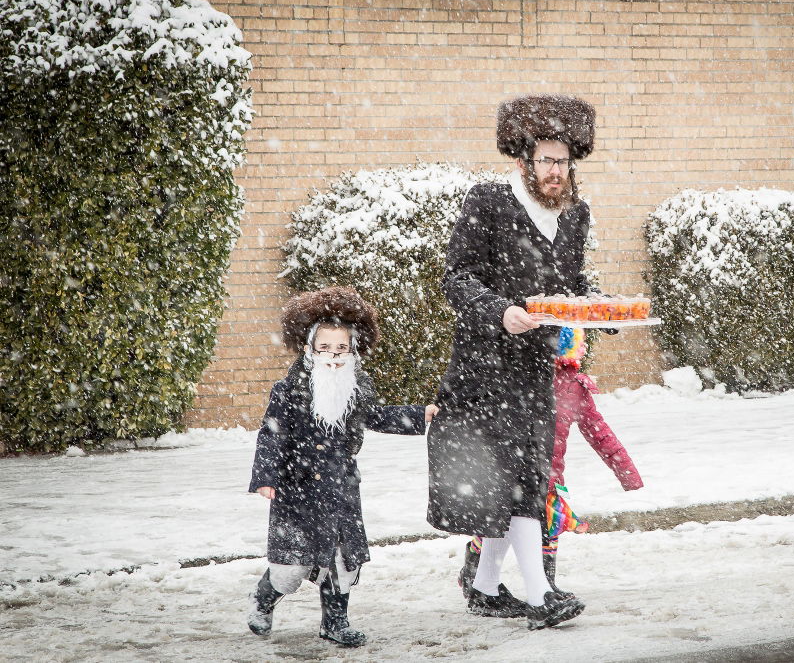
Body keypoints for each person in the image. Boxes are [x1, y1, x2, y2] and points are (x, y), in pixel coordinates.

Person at [427, 94, 604, 630]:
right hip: (484, 366)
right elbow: (455, 278)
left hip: (534, 368)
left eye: (564, 160)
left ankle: (483, 587)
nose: (557, 170)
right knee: (519, 479)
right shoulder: (489, 201)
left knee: (523, 478)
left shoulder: (575, 215)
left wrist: (597, 307)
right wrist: (499, 311)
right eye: (547, 159)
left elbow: (568, 287)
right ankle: (540, 593)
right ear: (523, 160)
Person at [246, 286, 438, 647]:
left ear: (351, 351)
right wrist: (266, 476)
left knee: (342, 560)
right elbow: (270, 434)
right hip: (296, 488)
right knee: (292, 566)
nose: (333, 356)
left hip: (340, 487)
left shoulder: (357, 386)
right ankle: (263, 599)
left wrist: (419, 414)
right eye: (325, 348)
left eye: (341, 349)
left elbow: (377, 415)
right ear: (308, 349)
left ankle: (335, 622)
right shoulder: (288, 390)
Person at [457, 326, 644, 598]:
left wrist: (626, 471)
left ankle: (546, 586)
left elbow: (599, 432)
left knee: (548, 525)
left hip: (548, 476)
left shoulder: (573, 388)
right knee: (498, 525)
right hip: (514, 470)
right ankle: (475, 572)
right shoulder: (517, 381)